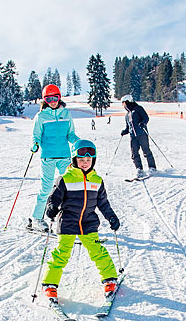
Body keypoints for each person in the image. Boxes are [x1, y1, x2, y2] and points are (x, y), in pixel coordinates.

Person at [40, 139, 120, 305]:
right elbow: (53, 198)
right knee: (61, 253)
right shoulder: (65, 179)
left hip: (88, 222)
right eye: (81, 160)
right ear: (74, 160)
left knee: (98, 251)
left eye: (88, 160)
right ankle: (50, 284)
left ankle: (110, 279)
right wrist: (52, 207)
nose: (85, 163)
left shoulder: (97, 180)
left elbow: (103, 203)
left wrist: (111, 216)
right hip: (68, 221)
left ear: (94, 160)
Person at [29, 84, 79, 232]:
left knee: (69, 187)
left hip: (65, 156)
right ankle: (36, 219)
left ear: (59, 97)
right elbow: (36, 135)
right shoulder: (41, 116)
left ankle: (68, 220)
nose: (52, 101)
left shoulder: (66, 114)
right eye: (49, 98)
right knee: (46, 187)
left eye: (55, 97)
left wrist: (78, 142)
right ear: (44, 100)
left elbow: (70, 134)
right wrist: (35, 144)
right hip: (48, 157)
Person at [120, 94, 157, 178]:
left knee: (146, 151)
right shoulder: (127, 115)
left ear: (128, 101)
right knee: (134, 153)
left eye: (123, 103)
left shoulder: (138, 109)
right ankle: (139, 169)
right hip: (133, 136)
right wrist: (124, 131)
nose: (123, 105)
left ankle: (152, 167)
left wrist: (143, 123)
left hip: (142, 133)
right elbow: (128, 127)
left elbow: (146, 118)